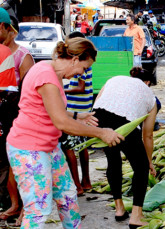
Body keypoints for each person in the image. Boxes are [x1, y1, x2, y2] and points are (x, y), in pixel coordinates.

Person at [6, 37, 124, 228]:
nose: (81, 73)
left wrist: (77, 115)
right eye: (84, 68)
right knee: (38, 210)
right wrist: (101, 133)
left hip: (49, 147)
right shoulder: (47, 76)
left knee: (68, 197)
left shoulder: (51, 71)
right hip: (29, 148)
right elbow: (61, 122)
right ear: (75, 59)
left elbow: (49, 108)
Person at [93, 67, 157, 228]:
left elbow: (97, 103)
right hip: (124, 122)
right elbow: (147, 135)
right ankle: (136, 216)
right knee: (140, 168)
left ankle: (119, 209)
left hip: (99, 118)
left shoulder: (114, 79)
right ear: (148, 82)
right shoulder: (151, 97)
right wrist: (148, 161)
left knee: (113, 161)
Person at [0, 15, 35, 226]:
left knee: (17, 163)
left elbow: (29, 92)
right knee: (4, 161)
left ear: (4, 27)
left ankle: (24, 207)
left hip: (16, 117)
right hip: (2, 116)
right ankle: (13, 204)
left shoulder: (23, 55)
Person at [61, 31, 93, 196]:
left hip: (77, 110)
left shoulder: (82, 64)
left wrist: (63, 89)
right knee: (81, 147)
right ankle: (85, 182)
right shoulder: (83, 63)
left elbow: (81, 88)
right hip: (81, 109)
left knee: (69, 148)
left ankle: (78, 185)